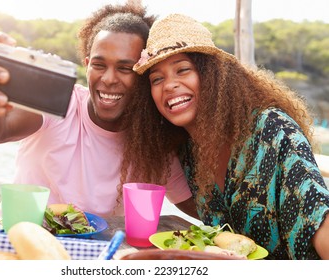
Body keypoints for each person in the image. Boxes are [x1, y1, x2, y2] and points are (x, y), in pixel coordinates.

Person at [0, 4, 197, 218]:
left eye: (124, 68)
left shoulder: (153, 141)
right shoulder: (59, 102)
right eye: (99, 65)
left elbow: (197, 208)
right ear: (87, 65)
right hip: (19, 241)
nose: (108, 79)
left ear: (143, 74)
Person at [125, 13, 329, 259]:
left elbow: (317, 215)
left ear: (212, 76)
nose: (169, 85)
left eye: (182, 70)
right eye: (157, 79)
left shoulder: (271, 128)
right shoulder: (188, 151)